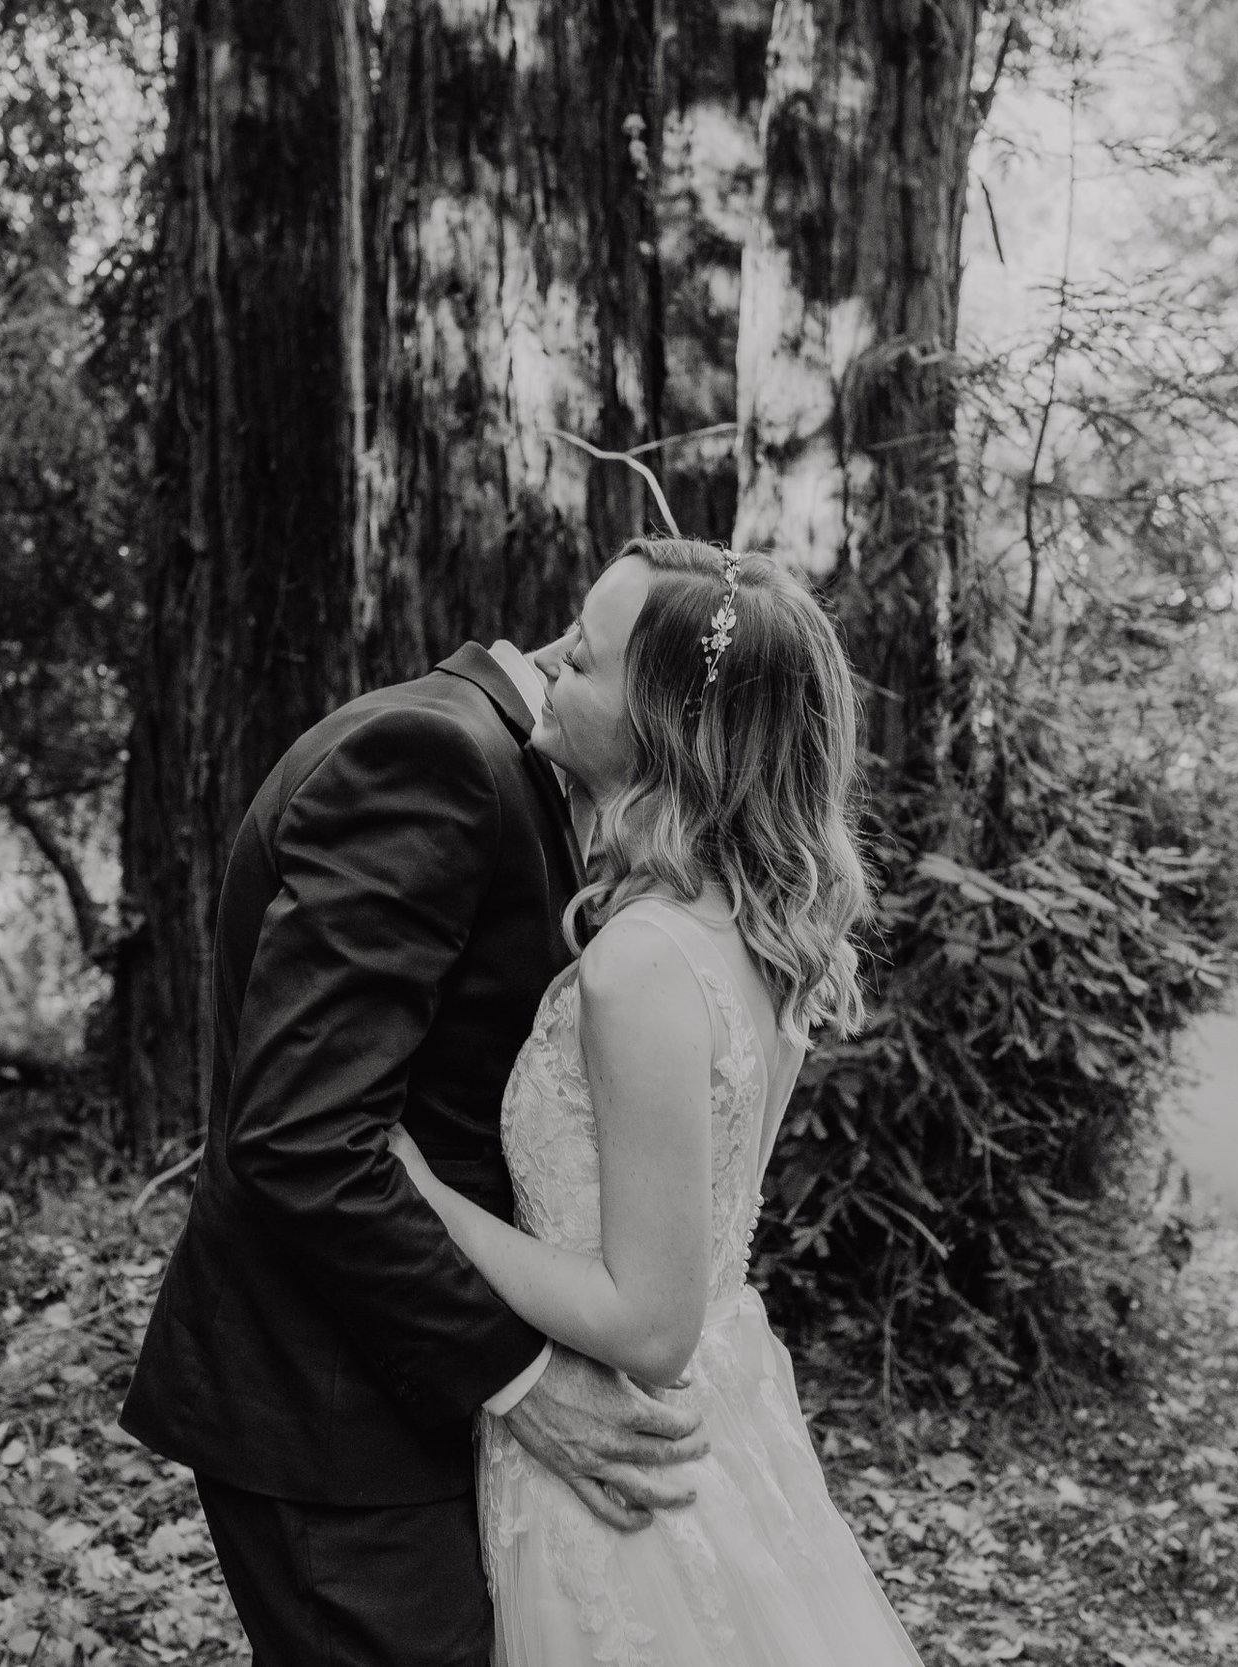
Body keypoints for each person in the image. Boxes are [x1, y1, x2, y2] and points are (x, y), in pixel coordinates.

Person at [119, 612, 707, 1667]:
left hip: (406, 1402)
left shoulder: (519, 770)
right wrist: (523, 1381)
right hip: (333, 1413)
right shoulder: (433, 757)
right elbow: (303, 1137)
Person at [388, 537, 924, 1665]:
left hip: (623, 1453)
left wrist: (426, 1194)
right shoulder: (755, 935)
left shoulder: (642, 961)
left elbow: (647, 1319)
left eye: (581, 662)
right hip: (723, 1417)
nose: (544, 663)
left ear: (666, 729)